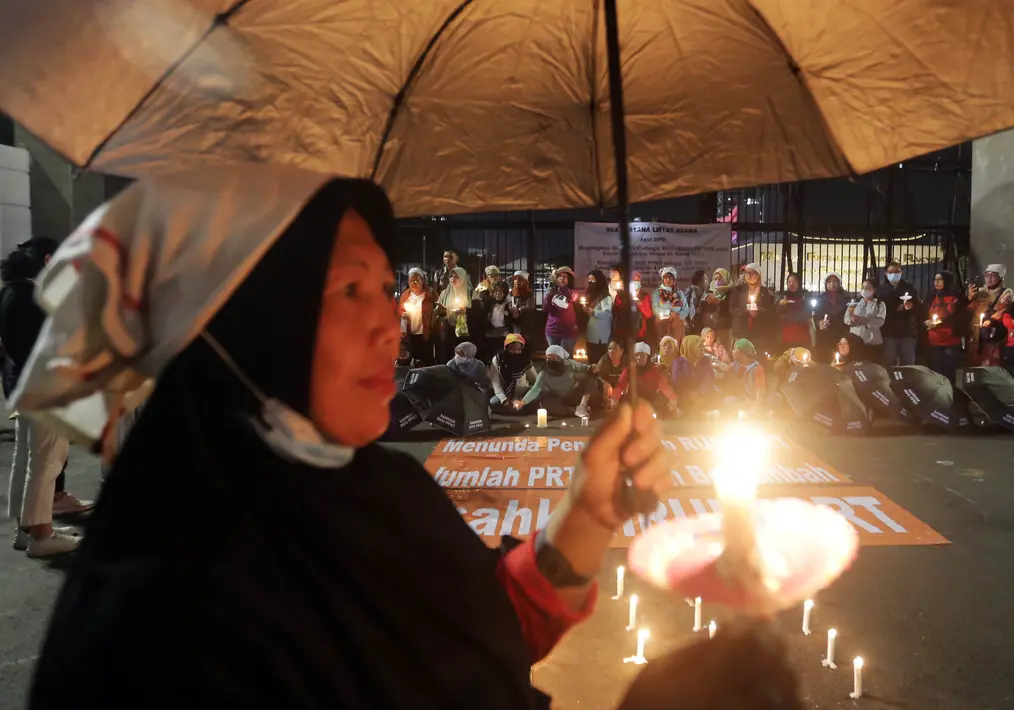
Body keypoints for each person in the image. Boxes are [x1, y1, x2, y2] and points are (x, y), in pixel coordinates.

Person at [16, 168, 798, 710]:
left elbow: (473, 627)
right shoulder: (168, 613)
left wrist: (589, 513)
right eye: (348, 290)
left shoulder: (378, 490)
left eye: (387, 286)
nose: (390, 320)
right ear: (238, 325)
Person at [0, 243, 82, 557]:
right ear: (48, 260)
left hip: (22, 386)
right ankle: (41, 536)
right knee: (46, 463)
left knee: (27, 460)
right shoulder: (35, 299)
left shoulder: (10, 292)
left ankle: (28, 528)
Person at [514, 344, 594, 419]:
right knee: (544, 404)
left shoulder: (570, 364)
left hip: (573, 394)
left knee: (591, 378)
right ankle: (575, 410)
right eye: (549, 358)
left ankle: (583, 406)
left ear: (561, 358)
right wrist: (522, 402)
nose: (551, 360)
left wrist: (594, 368)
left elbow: (586, 368)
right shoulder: (544, 373)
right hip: (558, 399)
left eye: (555, 358)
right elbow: (535, 389)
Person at [966, 264, 1014, 367]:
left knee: (992, 364)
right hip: (977, 335)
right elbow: (969, 310)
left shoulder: (1006, 293)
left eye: (992, 275)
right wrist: (970, 297)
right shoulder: (980, 292)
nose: (989, 278)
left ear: (1000, 277)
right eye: (987, 275)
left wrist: (991, 320)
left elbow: (1003, 310)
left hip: (993, 335)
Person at [877, 260, 921, 367]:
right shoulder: (881, 290)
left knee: (907, 363)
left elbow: (919, 309)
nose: (894, 274)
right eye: (891, 272)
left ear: (901, 273)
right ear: (886, 274)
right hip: (888, 333)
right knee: (889, 361)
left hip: (907, 332)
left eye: (897, 272)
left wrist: (910, 307)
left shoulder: (909, 289)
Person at [612, 343, 678, 415]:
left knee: (662, 401)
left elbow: (664, 386)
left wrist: (672, 398)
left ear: (647, 357)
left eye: (643, 355)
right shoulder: (629, 370)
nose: (639, 358)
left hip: (650, 399)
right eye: (637, 355)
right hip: (633, 399)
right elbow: (620, 385)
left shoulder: (654, 371)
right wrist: (614, 398)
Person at [924, 270, 964, 382]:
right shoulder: (931, 296)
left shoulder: (956, 297)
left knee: (948, 370)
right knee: (935, 370)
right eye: (935, 280)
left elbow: (958, 316)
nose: (936, 282)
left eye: (940, 279)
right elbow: (924, 312)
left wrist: (940, 322)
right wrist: (927, 321)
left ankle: (950, 392)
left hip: (950, 340)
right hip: (934, 340)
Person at [730, 264, 776, 351]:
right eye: (747, 273)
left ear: (758, 275)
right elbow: (732, 308)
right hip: (741, 330)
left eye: (753, 273)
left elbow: (769, 310)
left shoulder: (764, 292)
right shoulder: (738, 290)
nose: (749, 276)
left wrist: (757, 311)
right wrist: (746, 311)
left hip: (758, 332)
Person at [672, 335, 720, 415]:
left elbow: (709, 378)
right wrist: (690, 392)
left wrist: (699, 392)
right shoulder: (679, 362)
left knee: (712, 396)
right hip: (685, 393)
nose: (702, 349)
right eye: (699, 346)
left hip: (702, 392)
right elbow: (677, 380)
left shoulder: (705, 361)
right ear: (690, 347)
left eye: (702, 346)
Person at [397, 267, 437, 366]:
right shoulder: (405, 296)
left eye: (416, 281)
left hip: (426, 335)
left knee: (426, 362)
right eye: (411, 281)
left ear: (422, 281)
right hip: (410, 336)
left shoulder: (430, 294)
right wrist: (403, 316)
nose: (413, 284)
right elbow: (399, 312)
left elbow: (438, 310)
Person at [844, 278, 887, 363]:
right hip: (855, 341)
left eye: (868, 288)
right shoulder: (855, 304)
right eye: (863, 288)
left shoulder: (879, 304)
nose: (865, 290)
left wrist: (864, 320)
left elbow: (880, 321)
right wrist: (851, 320)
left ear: (874, 290)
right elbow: (846, 318)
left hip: (872, 343)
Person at [436, 266, 475, 357]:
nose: (453, 279)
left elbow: (478, 312)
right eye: (451, 276)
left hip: (466, 330)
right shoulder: (444, 293)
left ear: (463, 278)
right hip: (448, 329)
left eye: (456, 277)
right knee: (448, 354)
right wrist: (442, 311)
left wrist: (466, 311)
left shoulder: (471, 293)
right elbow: (438, 311)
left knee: (463, 354)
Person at [488, 334, 534, 411]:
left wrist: (524, 400)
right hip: (504, 394)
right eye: (512, 349)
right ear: (506, 348)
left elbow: (535, 380)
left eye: (518, 349)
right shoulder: (498, 359)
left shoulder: (525, 360)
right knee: (493, 402)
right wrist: (504, 400)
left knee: (536, 398)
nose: (515, 352)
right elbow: (495, 382)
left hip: (521, 394)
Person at [475, 281, 514, 364]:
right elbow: (483, 317)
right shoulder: (489, 303)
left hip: (503, 334)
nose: (498, 294)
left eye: (501, 292)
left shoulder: (508, 305)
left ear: (505, 293)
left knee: (500, 357)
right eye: (496, 291)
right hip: (490, 334)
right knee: (490, 356)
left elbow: (511, 321)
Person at [543, 266, 580, 353]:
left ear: (569, 279)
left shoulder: (573, 292)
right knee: (553, 358)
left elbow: (568, 296)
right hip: (552, 330)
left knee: (566, 359)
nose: (562, 279)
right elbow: (545, 308)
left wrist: (560, 286)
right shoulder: (552, 291)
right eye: (559, 276)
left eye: (564, 277)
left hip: (568, 332)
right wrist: (548, 295)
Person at [813, 271, 850, 357]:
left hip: (840, 332)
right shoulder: (820, 299)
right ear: (826, 284)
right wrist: (820, 322)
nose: (832, 284)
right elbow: (816, 316)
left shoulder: (845, 298)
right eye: (829, 282)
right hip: (825, 333)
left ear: (839, 283)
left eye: (835, 282)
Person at [726, 338, 768, 412]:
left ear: (743, 352)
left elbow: (760, 390)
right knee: (728, 401)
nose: (732, 352)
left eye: (735, 349)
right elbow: (725, 370)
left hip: (756, 400)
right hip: (746, 399)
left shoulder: (757, 368)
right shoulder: (738, 365)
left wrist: (758, 406)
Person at [651, 266, 690, 344]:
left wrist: (677, 316)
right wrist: (669, 313)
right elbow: (655, 309)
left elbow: (686, 310)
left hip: (677, 322)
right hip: (662, 322)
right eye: (665, 278)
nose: (668, 280)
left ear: (674, 280)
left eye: (670, 278)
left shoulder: (679, 293)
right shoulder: (657, 293)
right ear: (662, 279)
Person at [580, 270, 613, 361]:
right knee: (591, 362)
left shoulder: (605, 296)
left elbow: (607, 314)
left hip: (601, 337)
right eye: (589, 280)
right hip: (590, 335)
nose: (590, 282)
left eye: (593, 279)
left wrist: (593, 312)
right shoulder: (589, 295)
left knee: (600, 362)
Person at [698, 268, 733, 347]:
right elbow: (702, 308)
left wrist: (719, 302)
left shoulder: (731, 293)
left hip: (725, 327)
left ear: (725, 279)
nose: (717, 281)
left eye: (720, 279)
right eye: (715, 279)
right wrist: (707, 302)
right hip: (711, 327)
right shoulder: (710, 291)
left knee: (723, 349)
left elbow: (731, 309)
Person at [776, 272, 811, 350]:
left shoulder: (805, 296)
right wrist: (780, 305)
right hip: (786, 334)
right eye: (789, 282)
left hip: (802, 333)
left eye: (794, 281)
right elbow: (777, 314)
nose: (791, 284)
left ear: (799, 283)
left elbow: (808, 314)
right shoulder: (782, 296)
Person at [685, 269, 707, 335]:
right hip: (692, 321)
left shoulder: (706, 292)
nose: (707, 281)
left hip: (702, 321)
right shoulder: (690, 290)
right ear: (699, 280)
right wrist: (686, 321)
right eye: (705, 279)